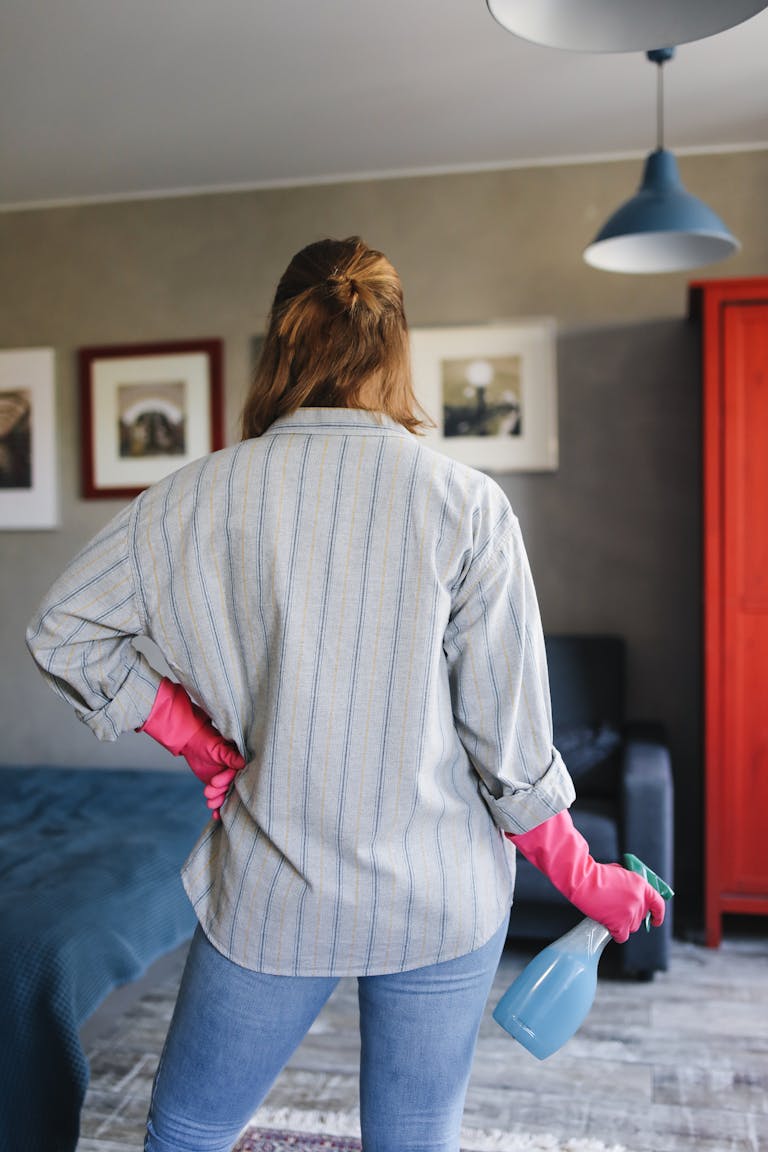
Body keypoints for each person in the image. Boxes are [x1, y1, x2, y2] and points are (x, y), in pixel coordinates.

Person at [26, 236, 664, 1152]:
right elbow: (511, 753)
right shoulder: (467, 505)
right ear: (396, 346)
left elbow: (65, 631)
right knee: (415, 1134)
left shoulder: (191, 498)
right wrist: (587, 879)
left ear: (278, 345)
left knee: (188, 1131)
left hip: (273, 888)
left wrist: (200, 742)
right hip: (441, 894)